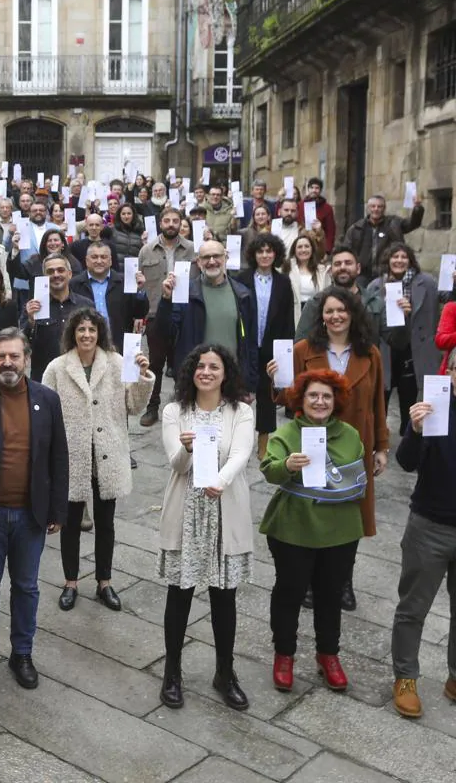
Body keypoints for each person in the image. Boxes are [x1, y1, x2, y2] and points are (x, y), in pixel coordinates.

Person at [0, 328, 68, 689]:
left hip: (29, 513)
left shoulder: (47, 399)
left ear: (26, 359)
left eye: (14, 356)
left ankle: (22, 653)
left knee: (27, 586)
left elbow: (59, 456)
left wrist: (58, 510)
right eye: (0, 356)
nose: (7, 362)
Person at [270, 285, 387, 612]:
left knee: (350, 511)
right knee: (314, 505)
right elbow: (287, 398)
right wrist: (277, 381)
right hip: (313, 440)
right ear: (320, 317)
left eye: (341, 310)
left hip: (354, 444)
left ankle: (343, 581)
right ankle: (309, 579)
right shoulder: (304, 349)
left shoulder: (370, 353)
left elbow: (378, 402)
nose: (336, 316)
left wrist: (381, 446)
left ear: (352, 314)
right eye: (329, 311)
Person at [158, 344, 256, 711]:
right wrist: (186, 449)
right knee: (179, 595)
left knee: (223, 597)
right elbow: (177, 464)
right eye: (200, 366)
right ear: (191, 372)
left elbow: (241, 455)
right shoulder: (175, 411)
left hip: (223, 506)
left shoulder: (241, 411)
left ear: (225, 373)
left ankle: (224, 672)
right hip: (186, 508)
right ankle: (172, 672)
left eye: (214, 367)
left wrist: (220, 481)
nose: (207, 372)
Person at [259, 370, 366, 693]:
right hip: (293, 528)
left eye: (326, 397)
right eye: (313, 396)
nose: (320, 402)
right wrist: (287, 467)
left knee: (331, 594)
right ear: (300, 401)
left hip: (340, 530)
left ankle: (328, 655)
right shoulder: (287, 433)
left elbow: (358, 479)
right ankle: (284, 655)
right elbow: (269, 471)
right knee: (289, 592)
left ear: (336, 402)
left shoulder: (350, 435)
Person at [43, 308, 153, 612]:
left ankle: (105, 581)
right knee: (71, 521)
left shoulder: (118, 364)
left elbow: (134, 405)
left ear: (100, 333)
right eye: (81, 330)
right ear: (73, 334)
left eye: (92, 330)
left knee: (106, 522)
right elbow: (47, 412)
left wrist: (143, 378)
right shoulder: (57, 368)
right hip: (72, 456)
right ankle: (70, 582)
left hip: (108, 453)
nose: (87, 335)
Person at [390, 367, 456, 718]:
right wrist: (414, 430)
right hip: (430, 524)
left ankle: (455, 677)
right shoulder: (435, 404)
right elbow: (405, 462)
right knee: (413, 606)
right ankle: (405, 677)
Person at [157, 238, 259, 402]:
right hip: (196, 379)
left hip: (232, 380)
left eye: (216, 256)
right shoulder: (185, 294)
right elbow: (165, 333)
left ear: (225, 257)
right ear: (198, 262)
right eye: (206, 257)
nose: (212, 261)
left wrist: (251, 384)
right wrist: (167, 300)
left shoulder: (242, 294)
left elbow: (251, 343)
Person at [366, 244, 441, 436]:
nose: (399, 260)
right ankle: (377, 438)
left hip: (414, 350)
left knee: (410, 399)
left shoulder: (427, 282)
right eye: (395, 256)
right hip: (386, 349)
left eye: (403, 257)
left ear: (410, 260)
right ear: (388, 260)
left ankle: (410, 438)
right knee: (380, 396)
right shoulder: (375, 286)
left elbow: (445, 297)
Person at [237, 233, 295, 458]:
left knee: (267, 399)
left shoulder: (283, 282)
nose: (264, 255)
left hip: (271, 348)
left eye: (269, 251)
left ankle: (263, 446)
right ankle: (238, 443)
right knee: (240, 395)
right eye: (260, 251)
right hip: (247, 346)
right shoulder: (241, 279)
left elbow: (288, 320)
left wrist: (285, 354)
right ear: (254, 254)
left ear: (276, 254)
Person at [138, 207, 195, 426]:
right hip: (155, 313)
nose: (171, 224)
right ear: (160, 224)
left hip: (184, 312)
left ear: (181, 224)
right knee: (155, 363)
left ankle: (182, 407)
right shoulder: (147, 250)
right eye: (167, 221)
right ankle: (152, 407)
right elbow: (138, 284)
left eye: (175, 221)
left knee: (184, 363)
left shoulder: (191, 249)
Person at [23, 254, 95, 380]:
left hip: (80, 376)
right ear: (44, 276)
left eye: (61, 270)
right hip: (45, 378)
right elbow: (24, 344)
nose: (56, 275)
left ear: (70, 274)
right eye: (50, 271)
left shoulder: (86, 305)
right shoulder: (33, 307)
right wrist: (30, 321)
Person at [69, 241, 148, 352]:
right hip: (85, 344)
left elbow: (140, 312)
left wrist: (139, 290)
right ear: (87, 261)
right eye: (94, 257)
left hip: (118, 344)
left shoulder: (125, 282)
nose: (99, 261)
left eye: (104, 257)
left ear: (110, 261)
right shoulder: (74, 284)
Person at [295, 246, 384, 341]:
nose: (342, 267)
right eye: (337, 264)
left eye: (348, 263)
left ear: (358, 268)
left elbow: (394, 340)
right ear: (330, 272)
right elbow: (300, 343)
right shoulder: (316, 303)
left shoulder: (374, 302)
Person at [342, 193, 425, 284]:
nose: (376, 209)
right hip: (362, 274)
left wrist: (417, 209)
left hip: (387, 273)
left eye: (379, 206)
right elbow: (347, 250)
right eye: (373, 206)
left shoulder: (393, 223)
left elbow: (413, 224)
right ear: (368, 208)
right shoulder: (357, 228)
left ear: (384, 209)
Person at [284, 234, 331, 328]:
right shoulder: (287, 269)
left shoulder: (322, 271)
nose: (303, 250)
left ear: (312, 249)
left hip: (315, 315)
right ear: (294, 250)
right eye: (300, 247)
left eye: (306, 246)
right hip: (292, 315)